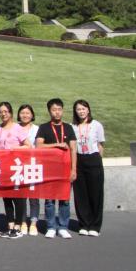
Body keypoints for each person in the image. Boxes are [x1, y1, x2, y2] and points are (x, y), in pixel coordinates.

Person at [35, 98, 78, 239]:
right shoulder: (44, 127)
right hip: (50, 169)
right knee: (49, 200)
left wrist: (74, 169)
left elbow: (73, 149)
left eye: (59, 109)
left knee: (65, 199)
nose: (57, 112)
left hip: (65, 169)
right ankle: (51, 227)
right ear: (49, 111)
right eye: (54, 110)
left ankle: (63, 226)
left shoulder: (68, 127)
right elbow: (39, 146)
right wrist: (57, 145)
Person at [0, 102, 30, 239]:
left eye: (6, 111)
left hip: (16, 167)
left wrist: (14, 149)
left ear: (11, 113)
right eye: (1, 112)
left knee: (18, 197)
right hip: (3, 168)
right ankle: (10, 226)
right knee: (7, 198)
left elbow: (28, 146)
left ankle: (18, 227)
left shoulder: (17, 128)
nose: (3, 114)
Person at [72, 99, 105, 237]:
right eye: (78, 109)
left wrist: (98, 160)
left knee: (95, 193)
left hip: (93, 159)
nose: (81, 111)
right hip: (79, 159)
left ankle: (95, 226)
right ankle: (84, 224)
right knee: (80, 194)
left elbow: (100, 145)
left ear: (88, 110)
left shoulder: (96, 125)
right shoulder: (73, 126)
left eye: (83, 109)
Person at [17, 104, 40, 236]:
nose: (25, 115)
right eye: (22, 113)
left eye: (27, 113)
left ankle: (33, 223)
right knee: (21, 196)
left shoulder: (37, 129)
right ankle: (23, 222)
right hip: (19, 166)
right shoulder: (15, 128)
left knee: (33, 196)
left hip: (33, 165)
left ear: (32, 115)